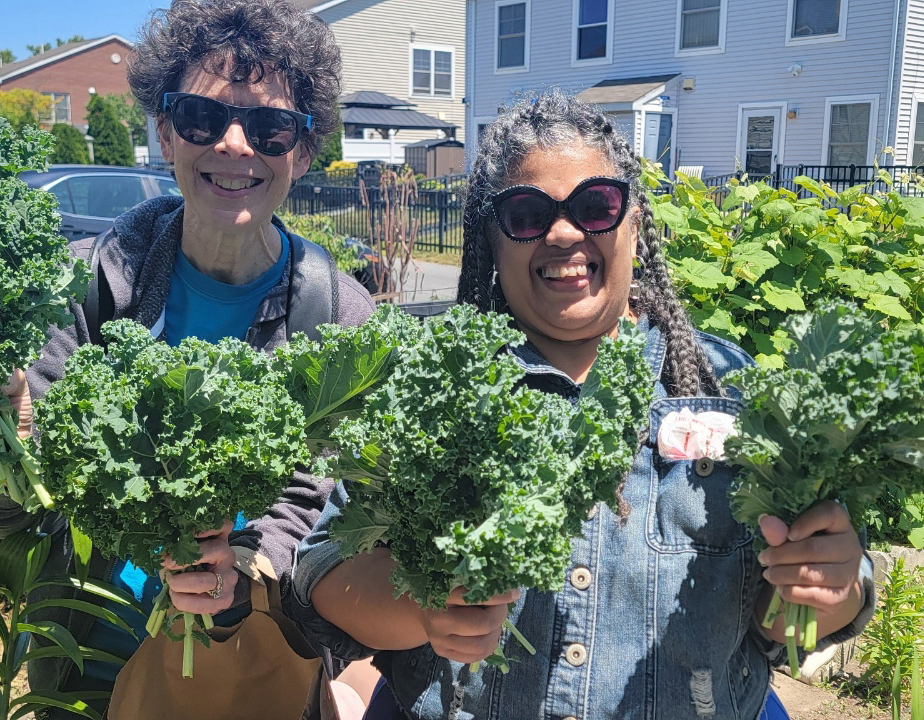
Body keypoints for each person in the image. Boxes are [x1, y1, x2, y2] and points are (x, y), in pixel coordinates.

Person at [291, 90, 876, 719]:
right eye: (526, 213)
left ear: (634, 221)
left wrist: (830, 588)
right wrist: (423, 609)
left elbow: (779, 620)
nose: (564, 232)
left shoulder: (726, 389)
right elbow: (323, 569)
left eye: (595, 206)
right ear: (492, 238)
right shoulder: (432, 385)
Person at [0, 1, 375, 717]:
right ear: (164, 132)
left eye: (272, 126)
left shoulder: (343, 322)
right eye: (202, 118)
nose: (236, 145)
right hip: (86, 670)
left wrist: (239, 580)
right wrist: (0, 436)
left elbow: (322, 529)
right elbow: (0, 522)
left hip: (245, 682)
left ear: (304, 150)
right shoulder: (82, 285)